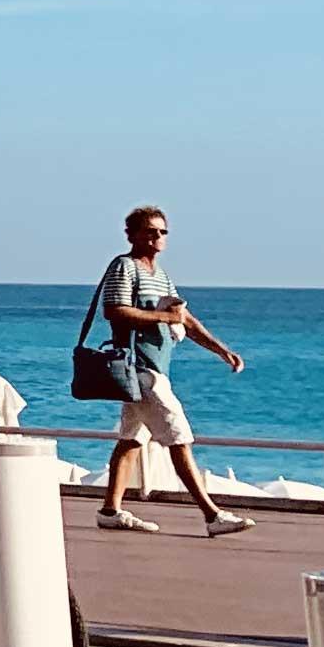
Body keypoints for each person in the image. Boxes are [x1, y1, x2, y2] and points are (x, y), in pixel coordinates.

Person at [91, 207, 254, 535]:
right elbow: (115, 311)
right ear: (132, 235)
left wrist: (221, 350)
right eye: (150, 231)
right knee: (179, 437)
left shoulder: (160, 274)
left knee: (131, 440)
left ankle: (110, 510)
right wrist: (164, 319)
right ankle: (212, 515)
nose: (157, 237)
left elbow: (184, 318)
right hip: (140, 368)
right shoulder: (126, 267)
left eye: (162, 232)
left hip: (155, 368)